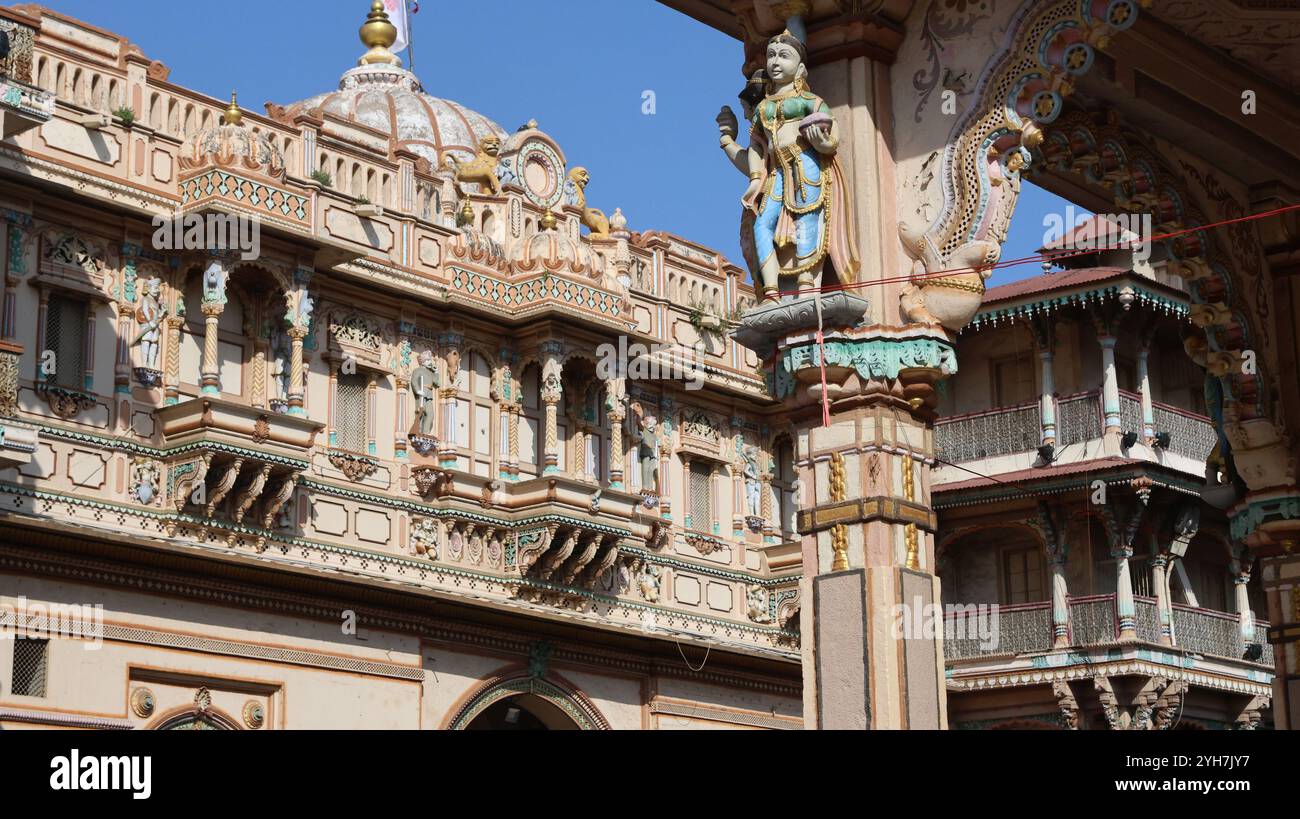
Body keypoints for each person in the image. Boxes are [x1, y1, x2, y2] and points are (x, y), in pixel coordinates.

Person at [722, 31, 860, 301]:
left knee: (807, 216)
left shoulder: (811, 102)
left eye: (784, 56)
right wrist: (751, 175)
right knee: (762, 225)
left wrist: (823, 143)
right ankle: (771, 288)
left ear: (800, 68)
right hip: (776, 173)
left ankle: (806, 281)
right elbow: (757, 149)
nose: (775, 61)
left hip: (805, 163)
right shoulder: (763, 109)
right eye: (772, 55)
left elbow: (832, 134)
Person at [410, 349, 439, 437]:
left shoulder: (430, 372)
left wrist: (436, 372)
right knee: (420, 413)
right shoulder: (417, 370)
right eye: (428, 360)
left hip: (428, 395)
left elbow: (437, 383)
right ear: (423, 361)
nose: (430, 362)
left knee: (430, 414)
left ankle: (426, 432)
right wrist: (418, 390)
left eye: (430, 360)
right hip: (422, 394)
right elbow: (414, 381)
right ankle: (418, 431)